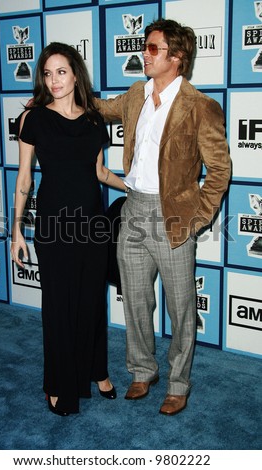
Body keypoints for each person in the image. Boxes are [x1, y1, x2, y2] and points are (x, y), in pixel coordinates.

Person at [95, 18, 231, 415]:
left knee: (181, 306)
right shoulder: (136, 94)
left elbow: (219, 169)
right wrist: (59, 96)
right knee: (135, 299)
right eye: (145, 46)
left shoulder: (200, 106)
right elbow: (101, 109)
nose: (144, 54)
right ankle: (142, 371)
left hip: (172, 217)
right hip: (133, 208)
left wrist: (198, 217)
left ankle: (178, 383)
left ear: (178, 58)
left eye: (153, 48)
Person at [11, 42, 127, 416]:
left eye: (61, 71)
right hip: (54, 224)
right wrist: (16, 231)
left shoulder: (94, 119)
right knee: (60, 305)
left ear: (76, 74)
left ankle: (98, 371)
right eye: (47, 73)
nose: (54, 80)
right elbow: (25, 178)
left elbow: (98, 172)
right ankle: (58, 383)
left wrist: (134, 187)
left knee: (93, 300)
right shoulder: (34, 119)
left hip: (92, 224)